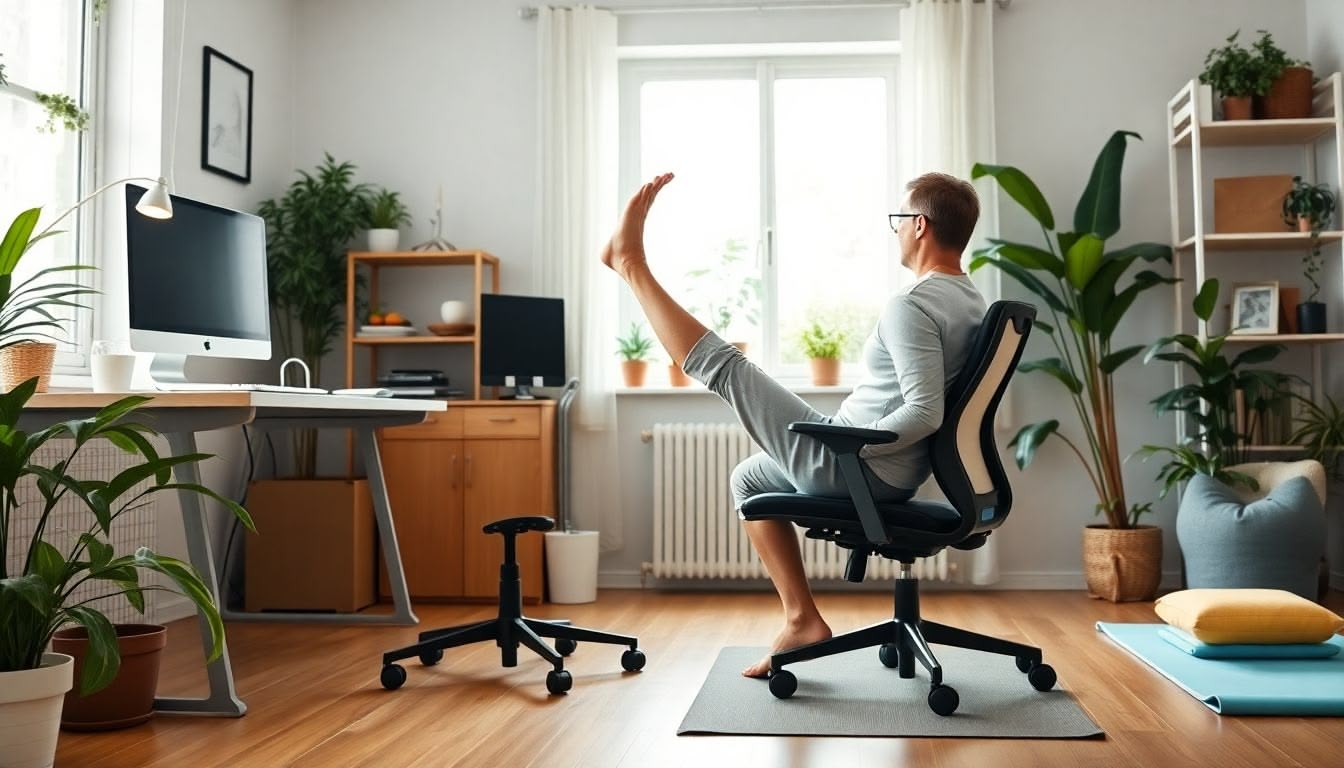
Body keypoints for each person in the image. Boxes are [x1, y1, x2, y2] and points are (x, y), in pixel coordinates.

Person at [601, 171, 987, 678]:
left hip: (858, 463)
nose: (893, 231)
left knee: (729, 368)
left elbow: (923, 412)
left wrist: (854, 449)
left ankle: (631, 265)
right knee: (750, 477)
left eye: (897, 221)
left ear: (919, 225)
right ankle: (801, 618)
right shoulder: (970, 300)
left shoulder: (911, 304)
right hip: (883, 465)